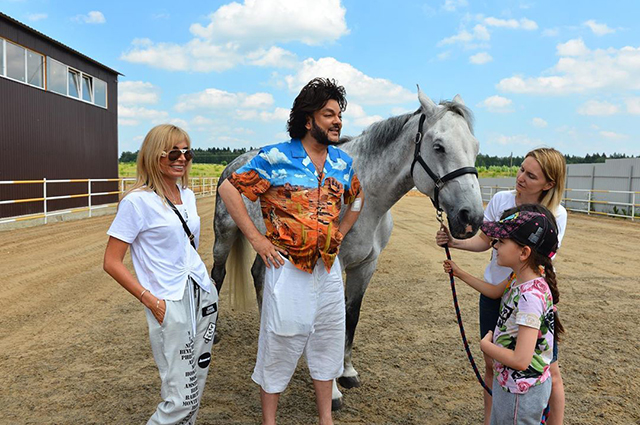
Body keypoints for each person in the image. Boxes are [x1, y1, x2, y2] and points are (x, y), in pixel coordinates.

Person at [217, 77, 364, 425]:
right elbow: (229, 188)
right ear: (308, 119)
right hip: (287, 268)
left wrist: (341, 231)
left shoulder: (342, 162)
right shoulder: (276, 157)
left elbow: (357, 196)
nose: (337, 121)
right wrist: (255, 238)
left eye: (339, 114)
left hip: (328, 270)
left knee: (328, 341)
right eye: (328, 114)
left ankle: (325, 418)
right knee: (280, 343)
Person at [436, 147, 567, 425]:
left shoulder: (556, 215)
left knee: (547, 370)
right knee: (493, 366)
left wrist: (508, 287)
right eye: (521, 169)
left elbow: (540, 259)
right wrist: (454, 243)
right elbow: (486, 240)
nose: (521, 178)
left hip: (521, 297)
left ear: (549, 184)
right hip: (498, 294)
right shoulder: (501, 200)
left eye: (531, 175)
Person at [103, 124, 219, 425]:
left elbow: (187, 246)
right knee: (179, 396)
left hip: (200, 292)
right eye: (173, 153)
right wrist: (152, 301)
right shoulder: (137, 202)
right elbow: (111, 261)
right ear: (156, 156)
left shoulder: (188, 195)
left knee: (194, 386)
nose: (182, 158)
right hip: (167, 299)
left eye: (187, 152)